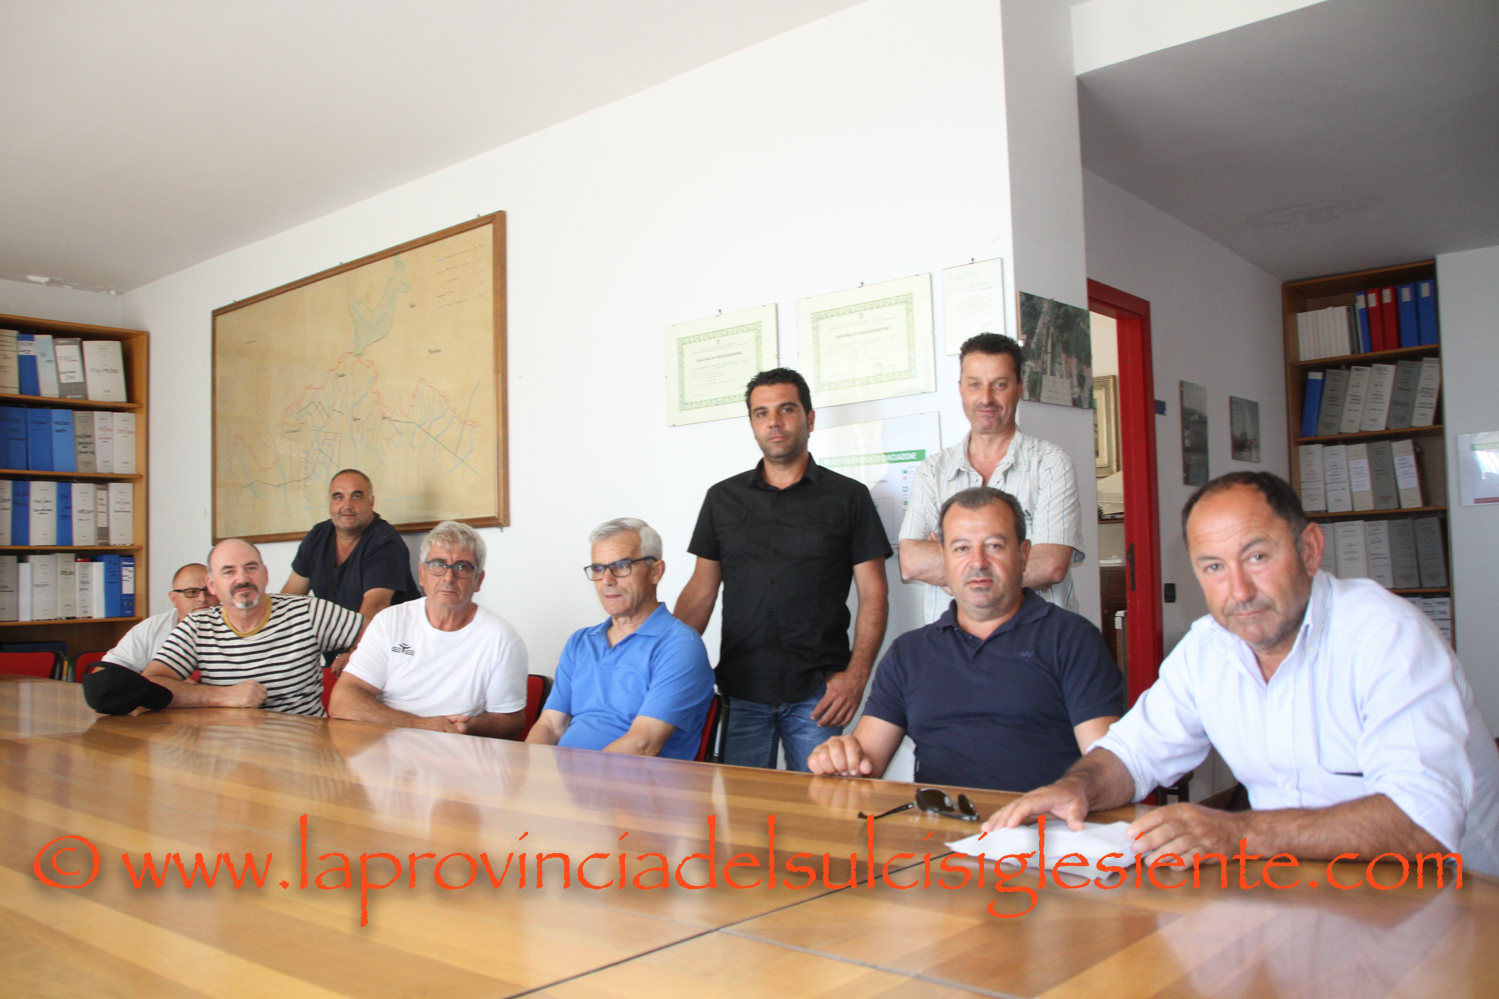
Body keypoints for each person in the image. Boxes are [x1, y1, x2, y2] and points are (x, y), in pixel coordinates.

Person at [987, 471, 1499, 878]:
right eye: (1213, 567)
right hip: (1301, 890)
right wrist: (1077, 788)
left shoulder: (1385, 637)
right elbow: (1132, 754)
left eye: (1256, 556)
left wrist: (1240, 834)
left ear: (1309, 550)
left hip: (1454, 905)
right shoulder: (1208, 648)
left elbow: (1424, 825)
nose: (1239, 591)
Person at [807, 487, 1122, 790]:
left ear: (1023, 555)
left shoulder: (1072, 640)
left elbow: (1107, 767)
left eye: (994, 545)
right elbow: (863, 762)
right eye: (961, 548)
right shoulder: (909, 653)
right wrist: (840, 757)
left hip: (1042, 822)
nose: (978, 562)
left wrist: (1065, 796)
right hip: (940, 823)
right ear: (943, 559)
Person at [675, 368, 891, 772]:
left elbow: (874, 593)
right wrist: (665, 663)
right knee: (744, 808)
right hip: (740, 689)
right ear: (752, 423)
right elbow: (701, 590)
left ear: (809, 418)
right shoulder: (722, 499)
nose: (773, 422)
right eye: (761, 413)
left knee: (822, 805)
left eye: (786, 409)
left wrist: (857, 675)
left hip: (821, 696)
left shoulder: (850, 497)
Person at [898, 333, 1083, 620]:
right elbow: (911, 561)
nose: (986, 398)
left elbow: (1050, 565)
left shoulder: (1050, 464)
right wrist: (1018, 566)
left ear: (1019, 388)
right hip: (954, 641)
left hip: (1038, 638)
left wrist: (951, 567)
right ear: (961, 389)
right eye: (975, 385)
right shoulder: (933, 470)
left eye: (999, 385)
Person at [528, 518, 714, 760]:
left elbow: (642, 744)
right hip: (569, 778)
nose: (607, 580)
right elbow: (550, 726)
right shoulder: (580, 642)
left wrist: (576, 779)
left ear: (655, 571)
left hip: (634, 781)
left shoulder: (680, 646)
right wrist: (526, 772)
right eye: (598, 569)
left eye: (621, 566)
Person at [330, 520, 528, 738]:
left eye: (462, 567)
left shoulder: (502, 638)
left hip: (458, 749)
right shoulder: (389, 621)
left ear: (478, 580)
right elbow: (341, 702)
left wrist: (465, 728)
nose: (448, 578)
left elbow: (511, 721)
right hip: (386, 748)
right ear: (422, 574)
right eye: (438, 565)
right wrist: (419, 724)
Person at [142, 538, 365, 716]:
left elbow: (378, 635)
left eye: (250, 568)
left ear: (265, 575)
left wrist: (353, 655)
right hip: (227, 750)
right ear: (211, 585)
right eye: (228, 571)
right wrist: (222, 696)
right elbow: (150, 684)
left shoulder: (308, 611)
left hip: (305, 749)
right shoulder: (197, 626)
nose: (242, 579)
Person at [282, 469, 418, 622]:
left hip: (384, 634)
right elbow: (290, 599)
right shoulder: (317, 536)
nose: (347, 505)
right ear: (330, 502)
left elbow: (375, 609)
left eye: (356, 496)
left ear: (371, 502)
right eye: (338, 497)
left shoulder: (385, 542)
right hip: (335, 634)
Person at [98, 562, 219, 671]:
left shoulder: (230, 627)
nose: (202, 599)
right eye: (192, 592)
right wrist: (163, 682)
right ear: (173, 599)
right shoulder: (149, 629)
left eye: (208, 591)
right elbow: (103, 673)